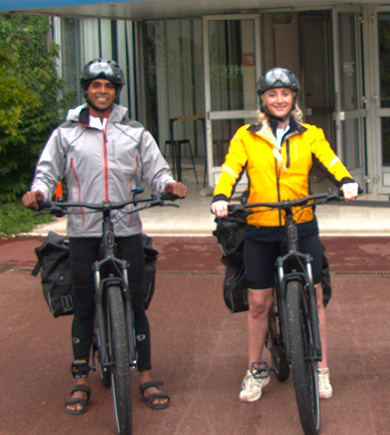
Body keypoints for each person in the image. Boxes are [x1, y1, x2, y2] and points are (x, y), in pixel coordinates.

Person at [22, 58, 187, 415]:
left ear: (116, 92)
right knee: (82, 305)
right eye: (96, 85)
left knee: (137, 303)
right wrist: (38, 192)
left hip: (126, 224)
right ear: (86, 89)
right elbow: (47, 173)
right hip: (83, 226)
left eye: (108, 86)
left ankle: (145, 375)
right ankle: (81, 377)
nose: (102, 91)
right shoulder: (66, 132)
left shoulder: (134, 131)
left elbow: (156, 169)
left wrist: (168, 185)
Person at [210, 67, 359, 403]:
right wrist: (221, 196)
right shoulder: (246, 136)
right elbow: (231, 168)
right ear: (263, 99)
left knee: (315, 297)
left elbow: (330, 160)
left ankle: (321, 368)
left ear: (294, 98)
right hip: (261, 227)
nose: (279, 99)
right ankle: (255, 369)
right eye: (272, 94)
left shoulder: (310, 133)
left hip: (302, 224)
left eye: (285, 93)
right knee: (259, 304)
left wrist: (346, 180)